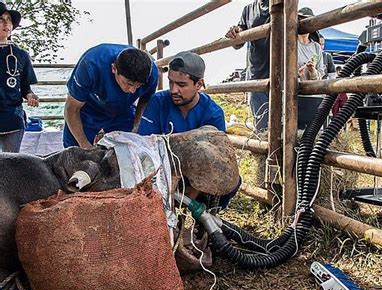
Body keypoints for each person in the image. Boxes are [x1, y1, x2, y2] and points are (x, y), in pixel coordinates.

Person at [137, 52, 237, 210]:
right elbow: (145, 145)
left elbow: (214, 159)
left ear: (199, 85)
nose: (173, 90)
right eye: (171, 83)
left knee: (231, 180)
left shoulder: (213, 113)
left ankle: (207, 220)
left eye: (181, 85)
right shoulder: (156, 102)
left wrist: (192, 194)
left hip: (198, 175)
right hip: (161, 172)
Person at [63, 44, 159, 148]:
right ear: (114, 68)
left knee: (130, 147)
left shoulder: (152, 73)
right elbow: (71, 108)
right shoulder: (91, 65)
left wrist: (136, 127)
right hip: (88, 109)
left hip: (123, 110)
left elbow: (145, 100)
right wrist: (84, 145)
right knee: (74, 151)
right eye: (129, 83)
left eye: (139, 86)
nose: (132, 91)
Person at [225, 0, 270, 132]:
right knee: (262, 126)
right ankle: (266, 151)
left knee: (285, 122)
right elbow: (237, 43)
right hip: (257, 72)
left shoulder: (285, 3)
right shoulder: (248, 10)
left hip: (283, 71)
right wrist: (235, 32)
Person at [0, 3, 39, 153]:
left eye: (8, 19)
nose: (6, 23)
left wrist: (30, 95)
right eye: (1, 19)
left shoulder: (20, 55)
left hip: (12, 119)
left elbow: (25, 86)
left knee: (11, 164)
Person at [297, 7, 325, 81]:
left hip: (312, 90)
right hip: (294, 90)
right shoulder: (290, 45)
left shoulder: (316, 47)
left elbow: (320, 74)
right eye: (301, 19)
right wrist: (296, 73)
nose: (305, 23)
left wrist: (312, 71)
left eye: (309, 21)